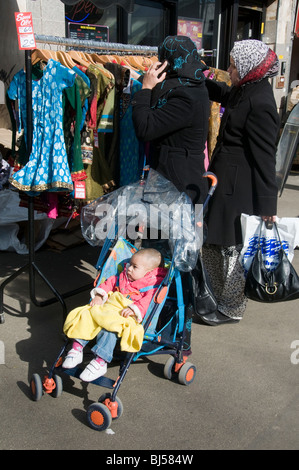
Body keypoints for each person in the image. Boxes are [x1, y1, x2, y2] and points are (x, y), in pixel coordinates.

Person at [201, 39, 280, 326]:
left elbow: (265, 158)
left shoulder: (261, 102)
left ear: (249, 67)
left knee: (231, 248)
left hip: (240, 187)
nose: (230, 71)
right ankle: (214, 297)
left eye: (234, 66)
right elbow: (226, 94)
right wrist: (201, 76)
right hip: (224, 181)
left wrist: (268, 205)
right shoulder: (247, 88)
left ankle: (231, 308)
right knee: (213, 242)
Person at [62, 248, 167, 381]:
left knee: (110, 329)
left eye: (135, 267)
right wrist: (100, 295)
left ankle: (100, 361)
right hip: (109, 309)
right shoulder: (123, 276)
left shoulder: (152, 287)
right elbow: (110, 283)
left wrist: (135, 309)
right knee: (87, 314)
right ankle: (76, 348)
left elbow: (148, 302)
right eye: (129, 264)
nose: (129, 268)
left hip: (125, 315)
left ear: (149, 273)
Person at [132, 35, 210, 205]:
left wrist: (145, 88)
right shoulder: (193, 83)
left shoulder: (185, 95)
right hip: (179, 180)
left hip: (178, 184)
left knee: (171, 231)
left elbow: (145, 128)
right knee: (167, 230)